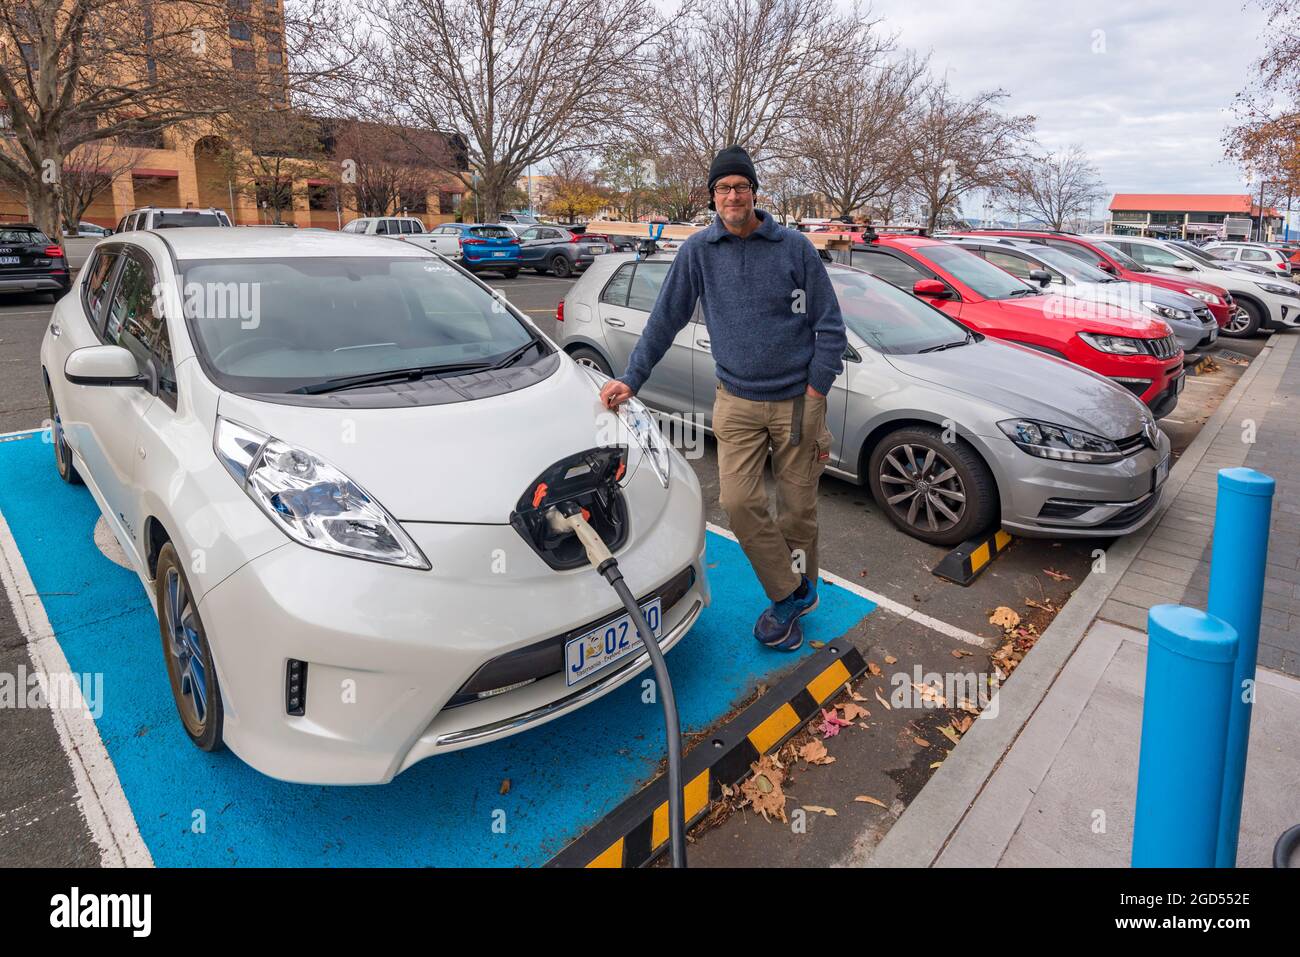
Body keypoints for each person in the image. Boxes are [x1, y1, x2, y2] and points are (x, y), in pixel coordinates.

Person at [599, 146, 848, 651]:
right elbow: (665, 318)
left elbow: (831, 327)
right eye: (722, 188)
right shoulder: (699, 251)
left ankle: (794, 594)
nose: (732, 195)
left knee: (798, 509)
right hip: (735, 400)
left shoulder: (793, 248)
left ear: (755, 192)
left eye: (740, 186)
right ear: (713, 197)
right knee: (737, 502)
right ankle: (793, 591)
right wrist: (633, 378)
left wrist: (816, 388)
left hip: (798, 402)